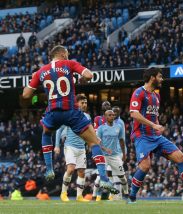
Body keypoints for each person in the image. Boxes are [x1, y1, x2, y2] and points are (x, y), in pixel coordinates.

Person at [22, 45, 118, 194]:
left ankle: (49, 169)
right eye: (66, 54)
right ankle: (104, 179)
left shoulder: (41, 71)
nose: (68, 56)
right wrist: (80, 77)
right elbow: (89, 75)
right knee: (93, 142)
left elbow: (26, 95)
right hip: (71, 111)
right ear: (61, 54)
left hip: (53, 112)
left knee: (46, 134)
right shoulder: (70, 64)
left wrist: (35, 77)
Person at [129, 67, 183, 203]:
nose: (162, 79)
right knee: (145, 166)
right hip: (142, 135)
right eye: (160, 76)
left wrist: (157, 125)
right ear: (152, 77)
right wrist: (153, 125)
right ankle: (132, 195)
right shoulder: (138, 92)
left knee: (181, 158)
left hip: (155, 136)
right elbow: (134, 113)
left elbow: (153, 116)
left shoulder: (156, 96)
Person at [54, 94, 91, 202]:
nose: (84, 105)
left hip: (81, 148)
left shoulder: (87, 117)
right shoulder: (70, 115)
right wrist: (57, 146)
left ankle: (79, 196)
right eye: (82, 103)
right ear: (76, 104)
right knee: (70, 168)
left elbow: (88, 131)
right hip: (70, 146)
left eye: (85, 103)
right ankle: (63, 193)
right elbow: (59, 130)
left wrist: (89, 143)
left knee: (82, 172)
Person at [95, 110, 128, 201]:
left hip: (115, 156)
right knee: (101, 177)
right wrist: (105, 149)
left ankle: (126, 193)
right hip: (104, 156)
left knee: (122, 177)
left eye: (113, 115)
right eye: (110, 115)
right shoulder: (101, 128)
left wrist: (124, 154)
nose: (112, 116)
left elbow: (121, 141)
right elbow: (97, 142)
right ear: (105, 117)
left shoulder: (119, 127)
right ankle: (97, 196)